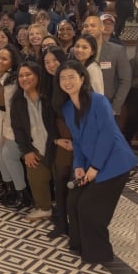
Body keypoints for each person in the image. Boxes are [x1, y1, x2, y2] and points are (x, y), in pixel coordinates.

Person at [56, 60, 137, 263]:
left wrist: (95, 167)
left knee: (88, 206)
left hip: (115, 164)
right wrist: (79, 166)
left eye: (71, 77)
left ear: (82, 78)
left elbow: (107, 135)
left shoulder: (98, 101)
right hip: (92, 164)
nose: (67, 82)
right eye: (62, 78)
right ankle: (78, 245)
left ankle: (98, 253)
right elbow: (78, 141)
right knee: (73, 201)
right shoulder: (67, 108)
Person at [10, 61, 57, 222]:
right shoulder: (17, 101)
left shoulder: (49, 96)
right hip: (34, 147)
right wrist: (27, 151)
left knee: (62, 179)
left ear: (38, 75)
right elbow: (18, 129)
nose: (24, 78)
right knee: (36, 178)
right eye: (21, 76)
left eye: (28, 74)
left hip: (56, 145)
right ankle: (44, 208)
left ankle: (65, 211)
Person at [41, 46, 75, 238]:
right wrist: (56, 140)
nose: (52, 65)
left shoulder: (73, 81)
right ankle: (62, 223)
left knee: (76, 182)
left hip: (78, 139)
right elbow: (48, 119)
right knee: (60, 182)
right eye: (47, 62)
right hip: (60, 140)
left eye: (55, 60)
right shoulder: (47, 86)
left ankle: (76, 223)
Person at [0, 46, 30, 208]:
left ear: (13, 63)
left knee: (9, 155)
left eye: (4, 59)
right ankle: (10, 189)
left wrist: (8, 132)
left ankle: (23, 193)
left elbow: (12, 110)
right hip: (1, 120)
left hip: (15, 124)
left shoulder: (14, 81)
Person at [82, 15, 132, 116]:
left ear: (101, 27)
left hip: (107, 106)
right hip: (83, 107)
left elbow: (125, 80)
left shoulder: (117, 50)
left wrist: (114, 107)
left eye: (92, 25)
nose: (89, 28)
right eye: (86, 26)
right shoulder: (76, 51)